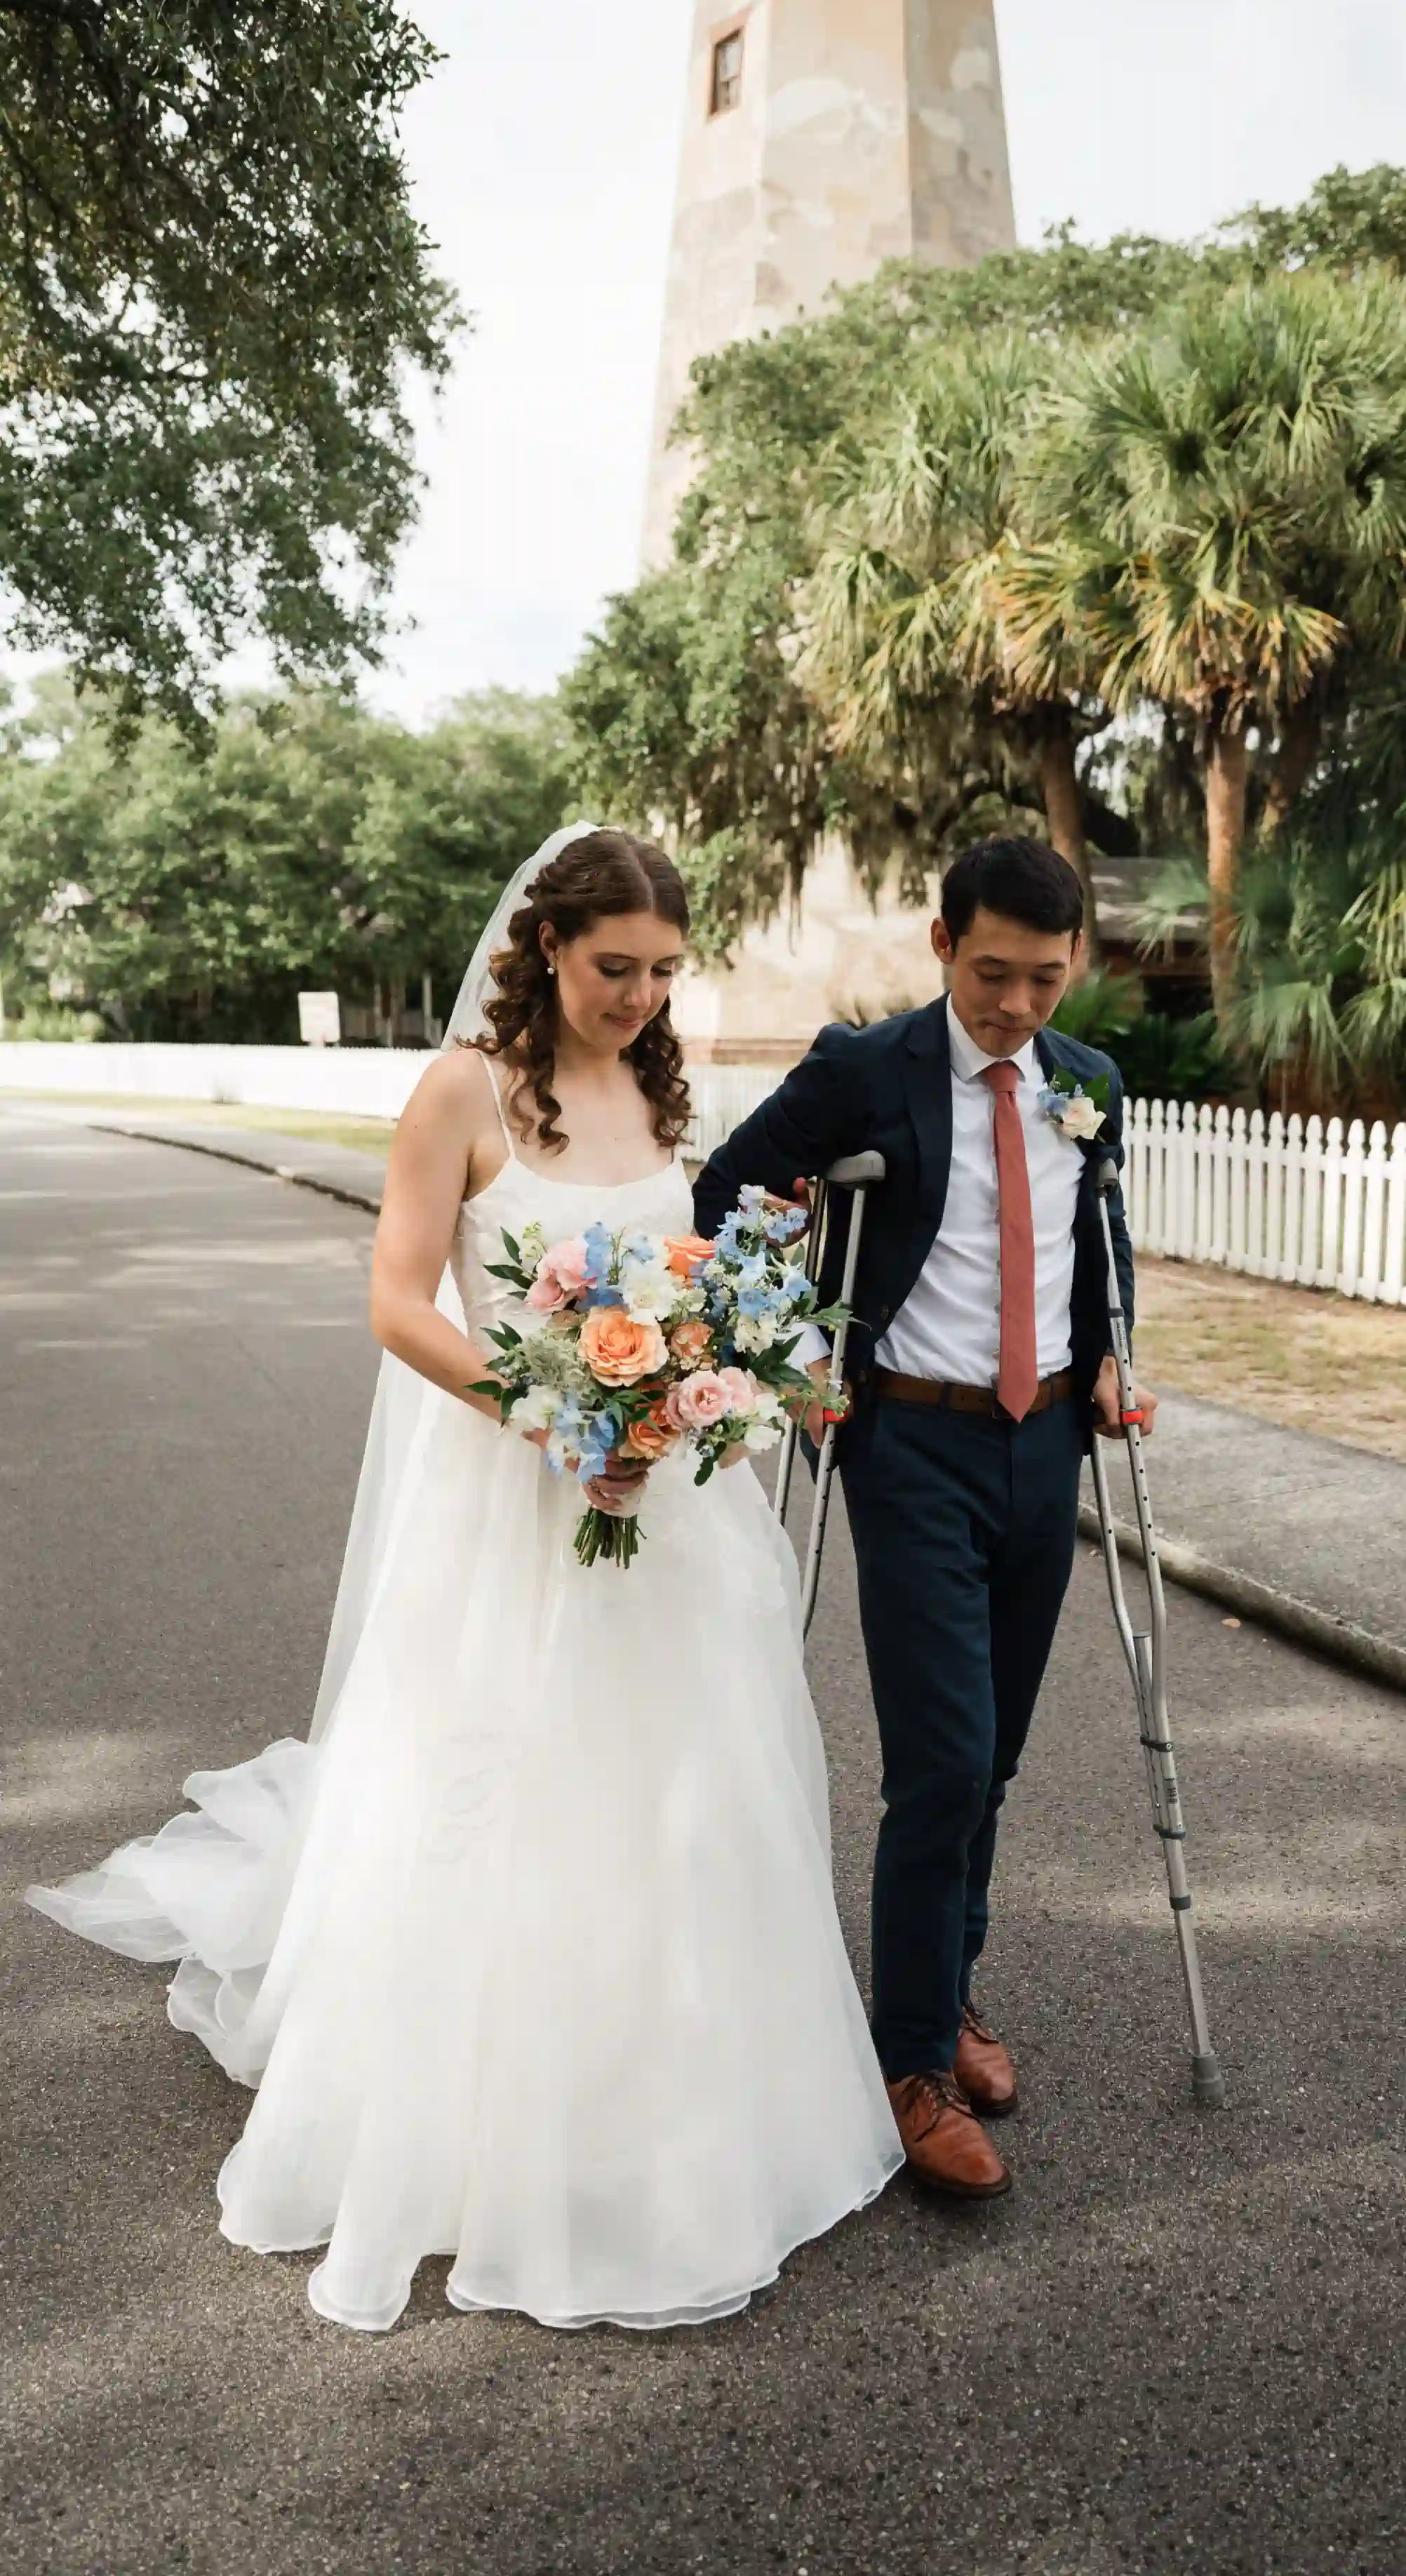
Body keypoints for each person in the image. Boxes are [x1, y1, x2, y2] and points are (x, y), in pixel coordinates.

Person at [25, 825, 902, 2333]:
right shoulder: (459, 1094)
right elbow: (392, 1297)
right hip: (511, 1494)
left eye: (660, 973)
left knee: (678, 1790)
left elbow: (683, 1285)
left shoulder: (656, 1093)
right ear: (545, 947)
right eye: (611, 966)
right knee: (502, 1782)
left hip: (660, 1503)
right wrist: (550, 1412)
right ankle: (480, 2118)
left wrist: (700, 1393)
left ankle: (667, 2102)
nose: (635, 997)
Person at [693, 837, 1156, 2202]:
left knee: (993, 1757)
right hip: (905, 1442)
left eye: (1045, 979)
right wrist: (779, 1339)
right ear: (942, 944)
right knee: (941, 1764)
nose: (1016, 1007)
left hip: (1044, 1447)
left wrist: (1116, 1351)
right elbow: (724, 1192)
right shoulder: (863, 1068)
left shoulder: (1086, 1086)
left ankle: (946, 1991)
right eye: (993, 974)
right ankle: (908, 2063)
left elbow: (1095, 1240)